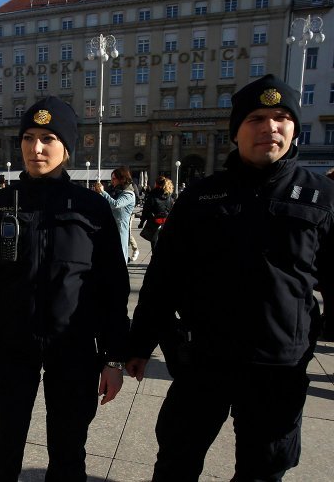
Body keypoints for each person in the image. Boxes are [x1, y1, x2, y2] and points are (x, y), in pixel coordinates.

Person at [127, 74, 334, 481]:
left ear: (293, 128)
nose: (270, 127)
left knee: (262, 469)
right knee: (176, 460)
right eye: (256, 118)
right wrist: (139, 343)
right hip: (204, 359)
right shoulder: (201, 196)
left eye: (281, 117)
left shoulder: (320, 196)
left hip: (279, 366)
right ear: (236, 131)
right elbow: (164, 276)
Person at [0, 96, 130, 479]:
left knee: (69, 452)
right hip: (11, 348)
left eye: (48, 138)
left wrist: (114, 359)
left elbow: (113, 289)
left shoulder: (92, 207)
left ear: (66, 147)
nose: (36, 148)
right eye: (29, 138)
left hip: (75, 351)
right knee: (3, 448)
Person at [93, 167, 136, 263]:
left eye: (114, 179)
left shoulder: (129, 194)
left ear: (122, 179)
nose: (112, 181)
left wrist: (103, 192)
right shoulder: (118, 192)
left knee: (120, 252)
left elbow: (115, 204)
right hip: (112, 226)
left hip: (121, 228)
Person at [138, 176, 174, 249]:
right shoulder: (169, 196)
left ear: (156, 184)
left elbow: (146, 209)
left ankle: (155, 257)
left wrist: (142, 222)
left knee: (154, 242)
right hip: (165, 222)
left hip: (154, 222)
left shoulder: (152, 195)